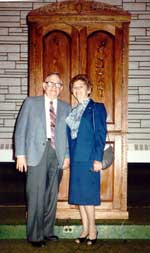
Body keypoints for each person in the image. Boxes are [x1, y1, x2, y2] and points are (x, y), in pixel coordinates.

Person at [14, 73, 71, 248]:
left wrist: (67, 155)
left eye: (58, 84)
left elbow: (67, 135)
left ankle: (47, 231)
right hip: (35, 153)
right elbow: (20, 129)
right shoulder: (31, 102)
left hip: (57, 153)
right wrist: (20, 155)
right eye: (50, 83)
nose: (54, 87)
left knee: (51, 195)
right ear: (43, 85)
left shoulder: (66, 107)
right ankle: (35, 235)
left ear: (61, 88)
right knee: (36, 195)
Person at [66, 74, 107, 245]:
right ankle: (84, 229)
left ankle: (92, 231)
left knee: (88, 198)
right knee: (80, 197)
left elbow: (100, 134)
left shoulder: (97, 108)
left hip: (90, 159)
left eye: (81, 86)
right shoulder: (73, 111)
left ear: (89, 89)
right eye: (74, 87)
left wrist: (98, 159)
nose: (77, 90)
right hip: (76, 160)